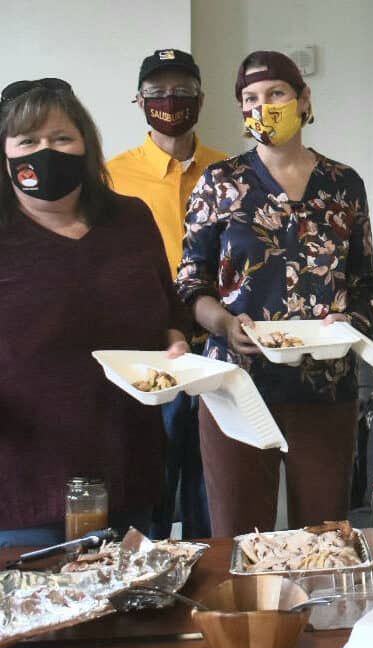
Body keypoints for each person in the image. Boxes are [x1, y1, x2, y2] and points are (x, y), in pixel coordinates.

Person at [176, 51, 373, 537]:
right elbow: (192, 281)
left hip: (326, 388)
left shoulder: (343, 185)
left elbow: (365, 284)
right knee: (240, 542)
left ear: (304, 100)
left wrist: (352, 322)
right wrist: (225, 324)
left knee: (325, 540)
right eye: (250, 98)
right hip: (235, 386)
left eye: (276, 94)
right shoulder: (220, 182)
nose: (262, 107)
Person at [0, 78, 190, 547]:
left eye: (62, 138)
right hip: (25, 476)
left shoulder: (131, 219)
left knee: (134, 610)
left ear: (86, 146)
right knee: (44, 614)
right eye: (28, 140)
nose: (46, 151)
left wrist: (175, 341)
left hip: (129, 458)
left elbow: (168, 311)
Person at [108, 49, 227, 539]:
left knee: (212, 492)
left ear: (201, 98)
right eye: (157, 93)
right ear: (138, 100)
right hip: (149, 355)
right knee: (150, 490)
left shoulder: (230, 170)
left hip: (219, 353)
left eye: (182, 91)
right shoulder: (111, 176)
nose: (170, 101)